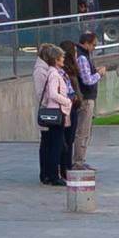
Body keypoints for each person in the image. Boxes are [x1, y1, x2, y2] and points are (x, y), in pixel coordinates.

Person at [33, 43, 74, 186]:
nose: (63, 59)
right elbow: (50, 94)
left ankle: (50, 173)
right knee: (54, 144)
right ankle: (51, 174)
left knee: (53, 144)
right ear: (55, 59)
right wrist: (67, 101)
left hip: (53, 110)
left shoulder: (50, 71)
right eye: (61, 57)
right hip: (54, 111)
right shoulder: (49, 72)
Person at [71, 31, 109, 168]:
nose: (94, 48)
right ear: (86, 43)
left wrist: (95, 71)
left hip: (87, 97)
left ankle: (80, 160)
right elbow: (87, 80)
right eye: (93, 45)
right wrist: (99, 74)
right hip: (86, 99)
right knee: (82, 131)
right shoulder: (82, 57)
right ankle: (78, 161)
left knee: (84, 131)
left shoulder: (83, 55)